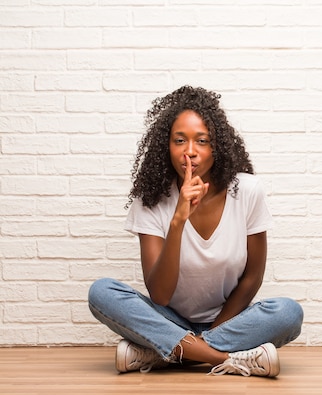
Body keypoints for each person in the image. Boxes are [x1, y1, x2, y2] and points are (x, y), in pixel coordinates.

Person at [88, 86, 303, 377]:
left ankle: (164, 352)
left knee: (289, 313)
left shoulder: (248, 191)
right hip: (167, 318)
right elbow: (160, 295)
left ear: (217, 146)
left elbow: (252, 277)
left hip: (230, 321)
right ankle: (230, 358)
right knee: (102, 292)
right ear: (167, 146)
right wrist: (178, 220)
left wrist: (213, 332)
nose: (190, 151)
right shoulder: (151, 199)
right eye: (180, 140)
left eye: (201, 141)